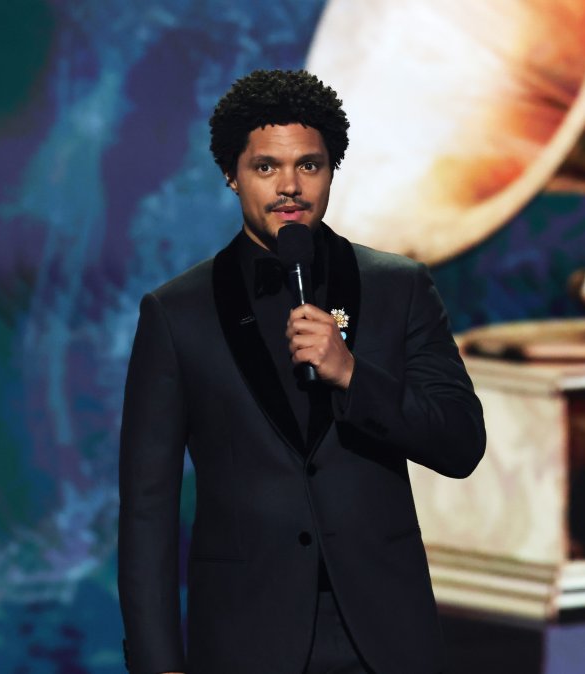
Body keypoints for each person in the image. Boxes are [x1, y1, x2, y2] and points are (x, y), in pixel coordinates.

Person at [118, 69, 486, 674]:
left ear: (332, 170)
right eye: (266, 168)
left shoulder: (399, 288)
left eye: (309, 166)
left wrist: (352, 374)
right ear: (230, 174)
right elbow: (146, 515)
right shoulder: (175, 314)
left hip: (387, 639)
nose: (290, 187)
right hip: (245, 641)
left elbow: (461, 442)